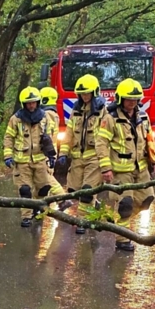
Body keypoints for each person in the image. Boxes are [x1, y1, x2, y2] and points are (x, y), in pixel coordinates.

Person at [96, 78, 155, 252]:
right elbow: (101, 142)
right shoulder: (110, 118)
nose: (132, 102)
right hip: (120, 171)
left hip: (140, 170)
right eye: (128, 99)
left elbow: (150, 140)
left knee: (147, 199)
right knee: (126, 203)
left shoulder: (143, 116)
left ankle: (115, 221)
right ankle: (122, 239)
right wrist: (106, 168)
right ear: (120, 99)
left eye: (135, 99)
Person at [3, 87, 66, 227]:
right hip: (22, 162)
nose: (31, 105)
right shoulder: (16, 119)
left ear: (38, 102)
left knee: (43, 188)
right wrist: (8, 155)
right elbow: (8, 138)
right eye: (28, 103)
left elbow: (51, 139)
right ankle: (26, 216)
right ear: (23, 104)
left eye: (34, 102)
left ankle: (38, 208)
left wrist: (52, 155)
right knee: (25, 190)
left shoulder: (45, 118)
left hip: (40, 161)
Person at [56, 74, 107, 234]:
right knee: (74, 192)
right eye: (82, 94)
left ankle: (82, 222)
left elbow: (106, 137)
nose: (85, 96)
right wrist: (63, 153)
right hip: (77, 158)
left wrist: (105, 161)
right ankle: (96, 207)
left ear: (94, 92)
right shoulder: (76, 111)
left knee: (86, 191)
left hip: (94, 158)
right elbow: (69, 133)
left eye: (88, 93)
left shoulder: (102, 112)